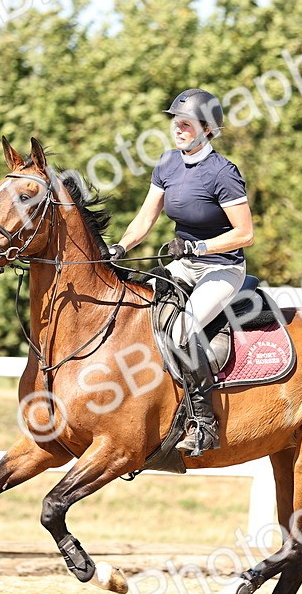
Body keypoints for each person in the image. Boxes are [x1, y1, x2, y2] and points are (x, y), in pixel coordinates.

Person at [108, 89, 255, 456]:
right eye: (176, 122)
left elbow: (245, 234)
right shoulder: (168, 164)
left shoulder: (223, 173)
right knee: (137, 310)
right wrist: (120, 248)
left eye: (187, 124)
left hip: (221, 268)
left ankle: (204, 425)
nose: (179, 129)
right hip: (183, 265)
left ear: (207, 129)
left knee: (184, 329)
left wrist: (199, 247)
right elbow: (146, 218)